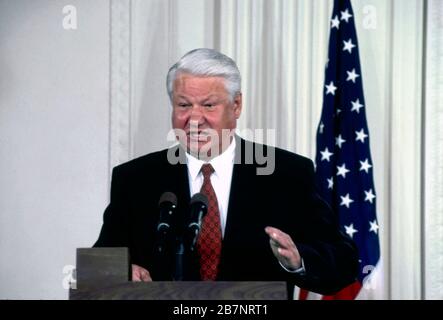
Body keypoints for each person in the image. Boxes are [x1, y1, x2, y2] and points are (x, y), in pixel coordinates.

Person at [94, 48, 358, 295]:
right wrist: (120, 272)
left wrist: (298, 260)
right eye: (184, 105)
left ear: (237, 105)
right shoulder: (136, 179)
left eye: (209, 105)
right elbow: (99, 266)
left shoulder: (286, 174)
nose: (194, 120)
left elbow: (344, 260)